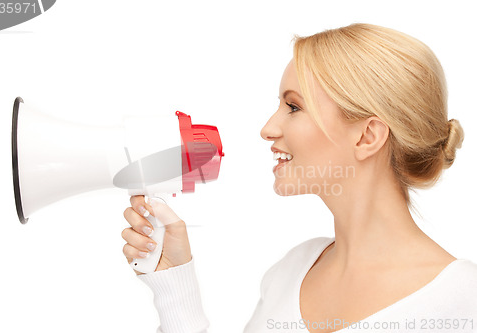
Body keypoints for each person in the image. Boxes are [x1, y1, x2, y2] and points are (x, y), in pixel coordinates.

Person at [121, 23, 477, 333]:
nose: (267, 129)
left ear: (368, 137)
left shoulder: (464, 302)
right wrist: (174, 284)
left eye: (293, 107)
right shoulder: (293, 270)